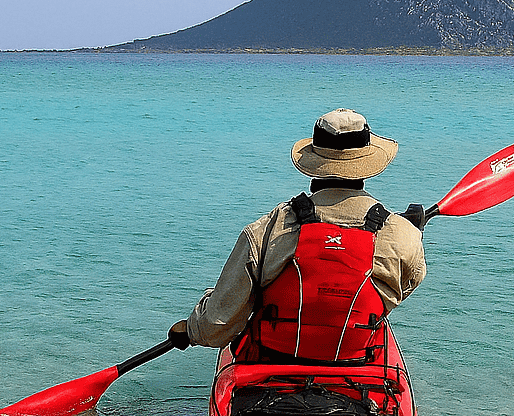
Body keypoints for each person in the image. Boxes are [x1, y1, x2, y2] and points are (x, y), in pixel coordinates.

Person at [170, 109, 426, 362]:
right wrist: (412, 231)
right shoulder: (402, 234)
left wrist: (192, 330)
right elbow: (402, 287)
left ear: (315, 164)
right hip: (356, 362)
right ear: (366, 166)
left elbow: (218, 323)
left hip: (274, 360)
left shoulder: (269, 228)